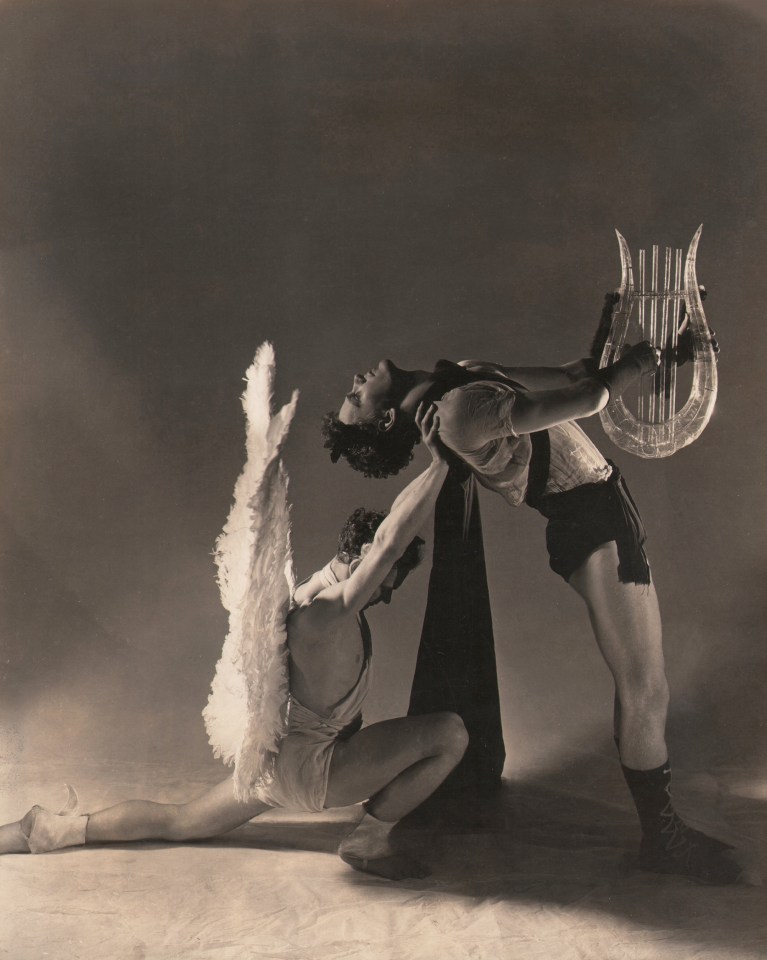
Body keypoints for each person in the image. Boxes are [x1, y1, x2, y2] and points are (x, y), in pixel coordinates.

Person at [321, 332, 741, 885]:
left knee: (644, 686)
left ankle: (661, 836)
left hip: (603, 511)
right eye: (355, 398)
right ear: (382, 422)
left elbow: (573, 375)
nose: (355, 382)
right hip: (591, 525)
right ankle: (662, 839)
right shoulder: (458, 412)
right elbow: (588, 399)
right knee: (645, 689)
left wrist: (669, 353)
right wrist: (642, 360)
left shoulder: (462, 375)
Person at [0, 404, 468, 881]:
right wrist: (440, 464)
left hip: (273, 766)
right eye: (389, 581)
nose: (387, 594)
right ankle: (368, 839)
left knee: (181, 821)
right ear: (367, 556)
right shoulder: (327, 610)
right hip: (316, 771)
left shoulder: (309, 590)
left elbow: (388, 538)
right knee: (450, 733)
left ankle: (54, 829)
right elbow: (389, 543)